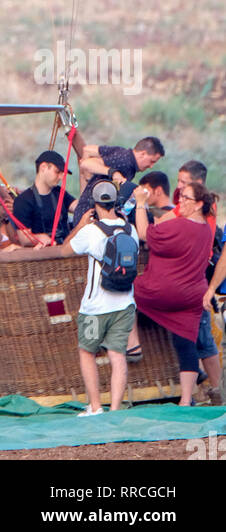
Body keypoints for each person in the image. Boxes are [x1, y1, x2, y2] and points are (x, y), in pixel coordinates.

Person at [130, 178, 219, 405]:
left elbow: (143, 233)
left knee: (124, 293)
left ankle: (133, 343)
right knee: (186, 343)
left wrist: (141, 203)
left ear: (199, 204)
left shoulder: (179, 226)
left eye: (186, 199)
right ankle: (186, 400)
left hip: (161, 291)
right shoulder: (205, 232)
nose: (181, 204)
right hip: (191, 297)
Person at [54, 180, 138, 416]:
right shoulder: (131, 229)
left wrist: (80, 224)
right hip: (125, 304)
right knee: (117, 354)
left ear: (95, 204)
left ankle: (95, 406)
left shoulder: (91, 232)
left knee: (87, 352)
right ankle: (114, 408)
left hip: (94, 308)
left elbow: (64, 250)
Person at [69, 132, 164, 218]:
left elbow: (87, 150)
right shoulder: (125, 162)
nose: (151, 166)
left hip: (85, 212)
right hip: (88, 215)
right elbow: (86, 164)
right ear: (143, 154)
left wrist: (86, 181)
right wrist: (112, 172)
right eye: (152, 161)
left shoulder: (122, 152)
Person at [12, 150, 75, 245]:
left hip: (65, 248)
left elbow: (78, 208)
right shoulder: (23, 201)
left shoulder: (60, 192)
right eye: (57, 172)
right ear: (43, 167)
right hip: (43, 255)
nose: (61, 177)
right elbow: (24, 238)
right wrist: (39, 237)